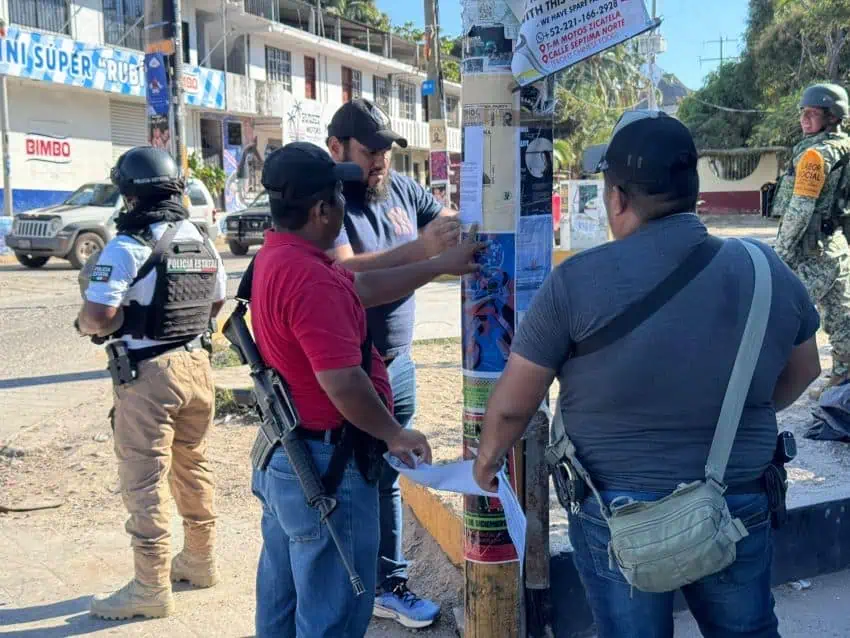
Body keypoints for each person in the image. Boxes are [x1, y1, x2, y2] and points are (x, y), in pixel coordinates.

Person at [473, 111, 822, 637]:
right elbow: (805, 369)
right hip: (736, 501)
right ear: (693, 190)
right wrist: (732, 415)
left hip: (618, 518)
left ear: (616, 198)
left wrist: (486, 462)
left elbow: (513, 406)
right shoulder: (763, 268)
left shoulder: (576, 282)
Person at [249, 142, 482, 638]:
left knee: (284, 599)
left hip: (289, 458)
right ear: (320, 210)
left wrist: (439, 265)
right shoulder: (308, 277)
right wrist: (393, 433)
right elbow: (343, 381)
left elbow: (361, 290)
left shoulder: (282, 255)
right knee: (334, 612)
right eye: (337, 193)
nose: (343, 202)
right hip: (327, 466)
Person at [75, 146, 227, 619]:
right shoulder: (200, 241)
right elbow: (216, 304)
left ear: (130, 196)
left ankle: (149, 587)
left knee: (144, 481)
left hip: (149, 378)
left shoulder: (126, 246)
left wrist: (95, 326)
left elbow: (98, 315)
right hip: (198, 369)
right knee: (193, 466)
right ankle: (200, 561)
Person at [326, 98, 460, 627]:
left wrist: (459, 224)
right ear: (337, 148)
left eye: (385, 150)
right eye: (369, 151)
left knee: (390, 474)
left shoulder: (400, 188)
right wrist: (423, 251)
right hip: (353, 367)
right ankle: (353, 587)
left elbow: (443, 220)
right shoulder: (330, 199)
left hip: (398, 363)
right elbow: (345, 276)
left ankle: (388, 582)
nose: (380, 160)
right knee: (349, 479)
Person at [772, 83, 850, 399]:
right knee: (841, 317)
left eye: (812, 113)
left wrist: (779, 255)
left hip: (812, 252)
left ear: (831, 117)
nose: (804, 120)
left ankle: (767, 383)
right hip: (837, 248)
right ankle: (843, 381)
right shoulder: (844, 148)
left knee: (779, 315)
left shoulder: (815, 156)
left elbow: (800, 209)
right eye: (802, 113)